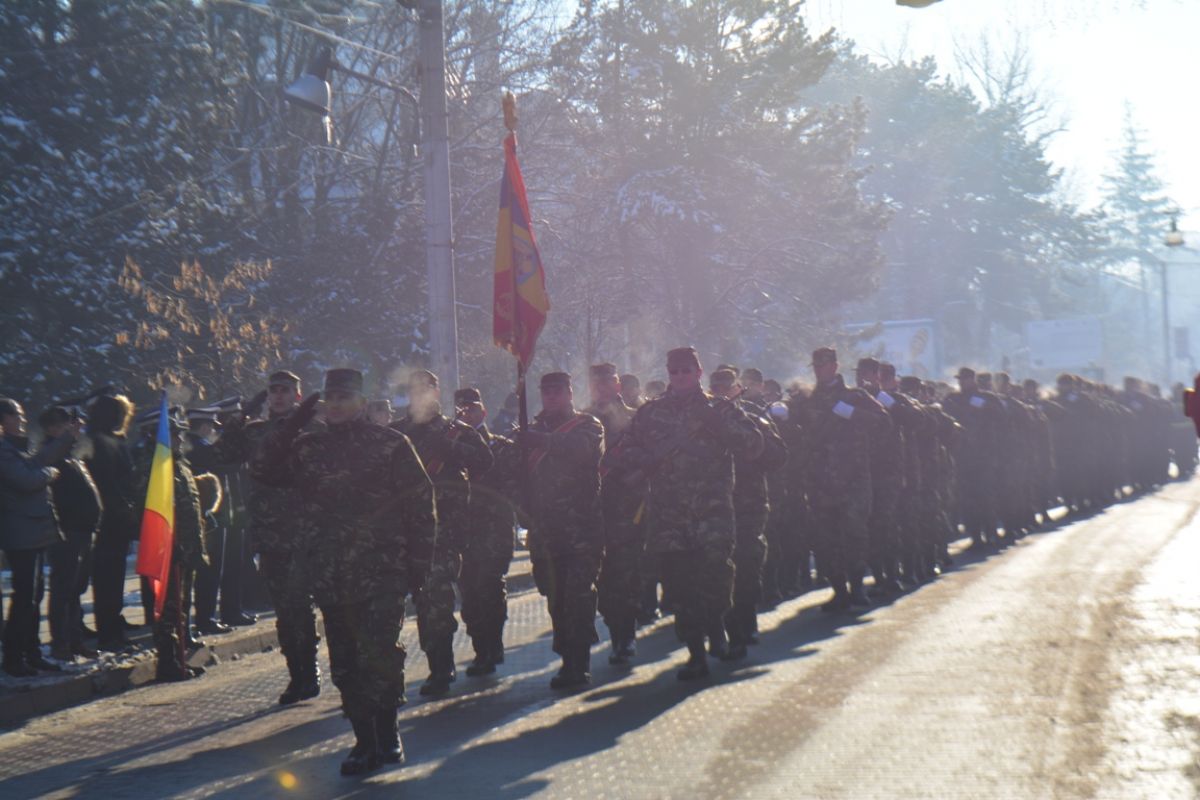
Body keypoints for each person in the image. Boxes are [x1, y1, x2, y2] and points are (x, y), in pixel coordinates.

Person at [252, 368, 436, 776]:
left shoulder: (391, 444)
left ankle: (387, 731)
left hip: (382, 570)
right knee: (346, 664)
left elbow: (421, 505)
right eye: (330, 398)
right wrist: (293, 424)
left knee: (380, 654)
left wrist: (419, 565)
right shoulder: (308, 446)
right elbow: (263, 471)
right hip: (331, 573)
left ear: (361, 403)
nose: (335, 405)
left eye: (344, 398)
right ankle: (363, 739)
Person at [615, 347, 762, 680]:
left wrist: (718, 424)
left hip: (712, 512)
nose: (680, 376)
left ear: (698, 372)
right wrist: (646, 459)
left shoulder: (720, 409)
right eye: (675, 371)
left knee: (716, 577)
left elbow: (753, 445)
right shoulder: (651, 413)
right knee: (680, 587)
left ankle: (717, 625)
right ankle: (695, 651)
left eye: (686, 370)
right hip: (669, 517)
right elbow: (625, 449)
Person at [215, 371, 323, 705]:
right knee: (285, 608)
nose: (278, 396)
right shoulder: (254, 431)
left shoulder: (312, 428)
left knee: (303, 604)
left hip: (305, 530)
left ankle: (311, 671)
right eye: (273, 391)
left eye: (285, 390)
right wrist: (242, 416)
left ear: (297, 394)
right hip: (269, 531)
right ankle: (297, 673)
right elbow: (222, 454)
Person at [393, 370, 493, 697]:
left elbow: (484, 460)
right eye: (415, 388)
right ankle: (426, 666)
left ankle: (451, 662)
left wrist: (447, 447)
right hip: (405, 532)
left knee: (440, 597)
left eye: (426, 388)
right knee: (419, 602)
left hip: (445, 531)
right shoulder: (395, 433)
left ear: (436, 392)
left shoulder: (456, 430)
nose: (420, 393)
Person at [515, 372, 605, 689]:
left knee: (578, 598)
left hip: (581, 531)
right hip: (546, 533)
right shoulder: (530, 430)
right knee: (556, 600)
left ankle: (578, 663)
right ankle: (567, 657)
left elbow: (583, 450)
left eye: (557, 390)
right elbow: (517, 476)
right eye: (546, 391)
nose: (551, 396)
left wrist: (540, 441)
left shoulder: (587, 425)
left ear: (569, 392)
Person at [796, 348, 884, 612]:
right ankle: (839, 591)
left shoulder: (855, 396)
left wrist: (852, 413)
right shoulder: (807, 399)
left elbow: (883, 423)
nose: (819, 370)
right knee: (826, 539)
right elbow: (794, 429)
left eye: (823, 365)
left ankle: (857, 587)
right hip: (820, 481)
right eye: (815, 366)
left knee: (854, 534)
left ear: (834, 366)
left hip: (853, 479)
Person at [709, 368, 786, 661]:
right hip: (713, 507)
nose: (721, 391)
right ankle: (727, 631)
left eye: (727, 386)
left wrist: (754, 440)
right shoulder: (702, 421)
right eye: (716, 386)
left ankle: (747, 618)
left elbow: (778, 456)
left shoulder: (752, 417)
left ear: (737, 388)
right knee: (718, 569)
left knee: (747, 564)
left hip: (748, 505)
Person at [1, 398, 78, 676]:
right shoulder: (3, 450)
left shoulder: (15, 447)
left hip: (32, 531)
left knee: (33, 597)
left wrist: (66, 438)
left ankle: (32, 653)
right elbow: (26, 479)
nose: (22, 420)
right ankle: (14, 658)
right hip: (20, 532)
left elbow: (36, 461)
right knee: (25, 597)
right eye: (16, 415)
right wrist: (49, 474)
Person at [454, 388, 518, 676]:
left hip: (494, 530)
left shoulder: (500, 447)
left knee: (489, 587)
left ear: (483, 411)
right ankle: (481, 647)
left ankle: (493, 645)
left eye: (472, 408)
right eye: (461, 408)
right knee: (469, 594)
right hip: (463, 532)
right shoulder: (450, 449)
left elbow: (511, 486)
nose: (467, 413)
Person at [586, 363, 645, 665]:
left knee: (625, 574)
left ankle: (625, 635)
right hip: (591, 513)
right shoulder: (582, 420)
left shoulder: (637, 419)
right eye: (596, 383)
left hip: (627, 510)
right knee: (604, 581)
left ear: (618, 385)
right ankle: (614, 627)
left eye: (607, 382)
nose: (601, 388)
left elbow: (650, 460)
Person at [38, 406, 102, 661]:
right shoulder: (50, 454)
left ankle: (75, 640)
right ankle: (61, 643)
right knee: (63, 588)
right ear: (52, 428)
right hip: (66, 532)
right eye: (66, 425)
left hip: (82, 530)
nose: (73, 429)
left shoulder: (70, 456)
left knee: (75, 589)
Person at [85, 393, 139, 652]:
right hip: (108, 519)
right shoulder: (99, 441)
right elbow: (107, 483)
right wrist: (124, 508)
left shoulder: (112, 440)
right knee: (107, 577)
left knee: (114, 577)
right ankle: (109, 632)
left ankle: (114, 625)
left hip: (117, 518)